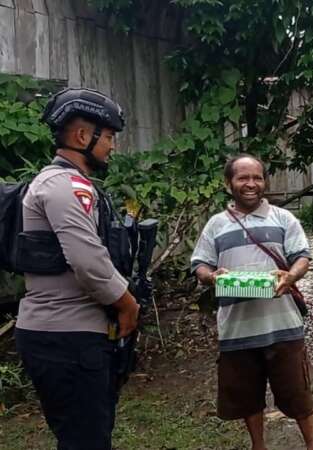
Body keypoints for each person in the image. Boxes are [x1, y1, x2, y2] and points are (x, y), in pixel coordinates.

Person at [14, 88, 140, 450]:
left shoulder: (69, 184)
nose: (112, 146)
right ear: (83, 136)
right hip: (67, 337)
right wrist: (127, 305)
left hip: (72, 334)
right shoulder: (64, 186)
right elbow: (88, 262)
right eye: (109, 137)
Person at [191, 154, 313, 450]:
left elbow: (302, 257)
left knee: (298, 395)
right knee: (248, 398)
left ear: (264, 182)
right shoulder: (216, 225)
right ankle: (258, 446)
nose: (251, 184)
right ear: (229, 183)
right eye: (243, 178)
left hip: (283, 326)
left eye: (257, 178)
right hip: (237, 329)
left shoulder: (283, 218)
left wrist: (290, 276)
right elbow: (200, 264)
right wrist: (212, 277)